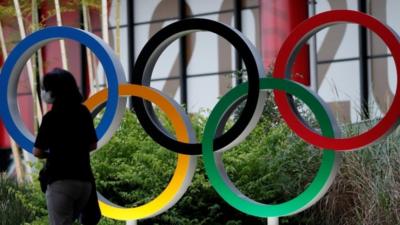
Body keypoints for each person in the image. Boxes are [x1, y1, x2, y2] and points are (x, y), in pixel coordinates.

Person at [33, 68, 99, 225]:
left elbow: (37, 151)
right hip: (84, 183)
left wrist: (55, 153)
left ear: (53, 92)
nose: (43, 92)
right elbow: (93, 145)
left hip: (60, 182)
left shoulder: (51, 117)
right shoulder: (83, 112)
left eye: (45, 88)